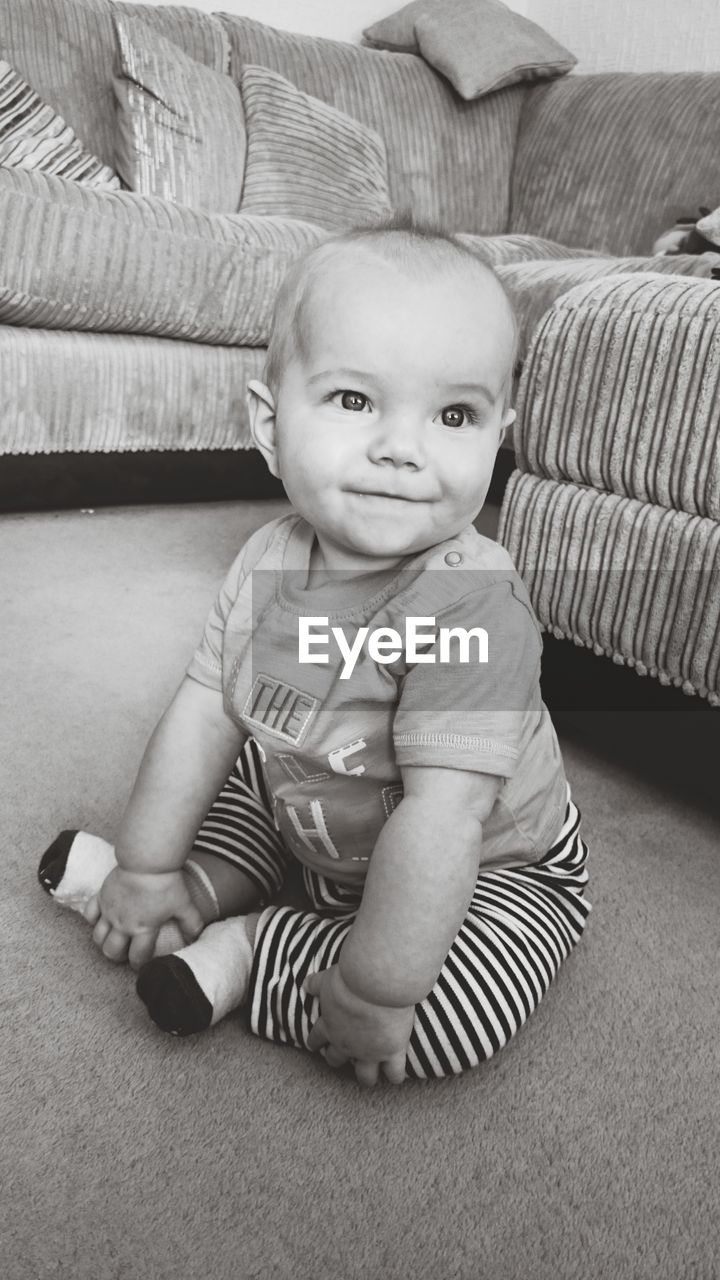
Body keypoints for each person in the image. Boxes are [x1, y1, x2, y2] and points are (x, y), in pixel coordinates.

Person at [39, 220, 591, 1085]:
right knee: (248, 786)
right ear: (269, 422)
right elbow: (202, 713)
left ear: (497, 436)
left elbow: (442, 819)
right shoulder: (266, 559)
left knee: (435, 1020)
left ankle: (257, 945)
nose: (402, 448)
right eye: (354, 400)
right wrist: (147, 863)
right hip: (316, 800)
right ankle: (185, 892)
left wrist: (377, 990)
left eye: (454, 415)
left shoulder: (475, 606)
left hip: (486, 863)